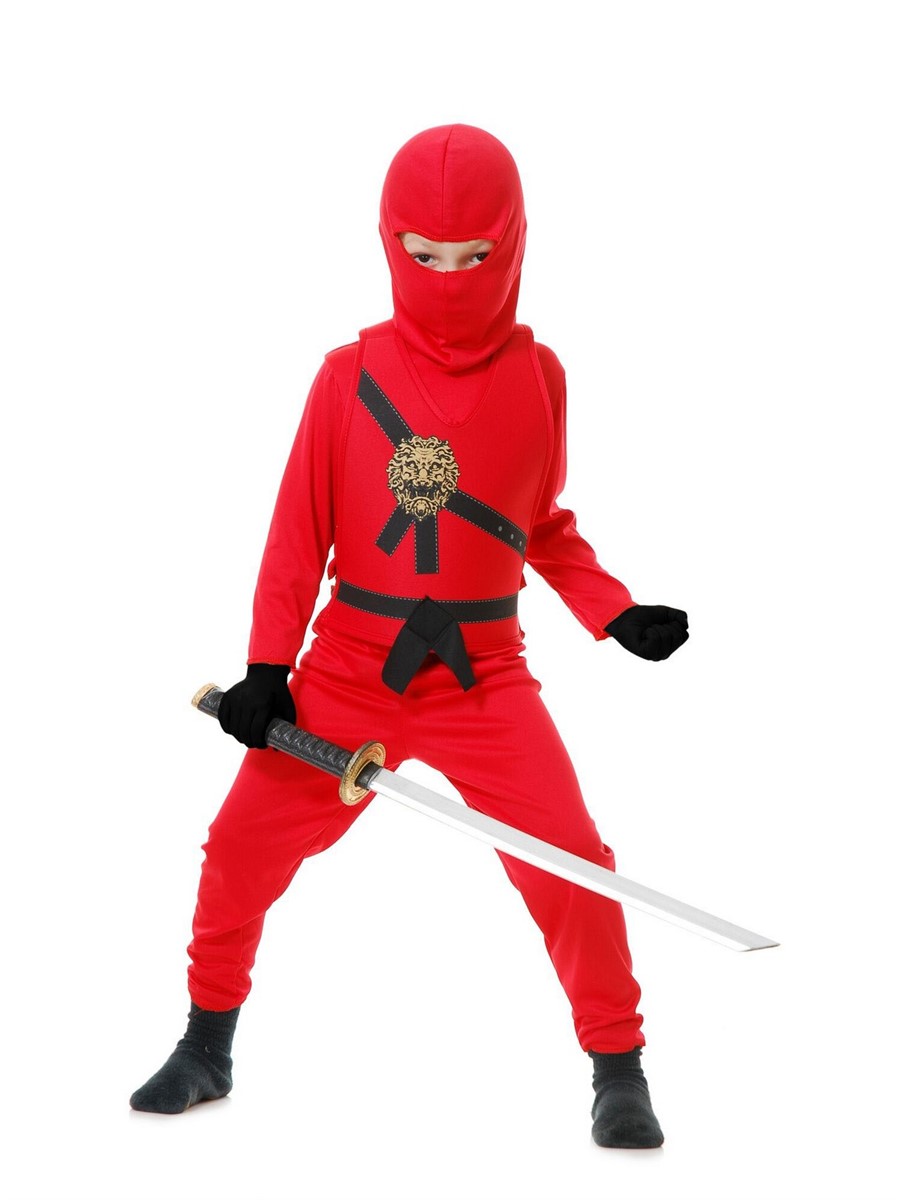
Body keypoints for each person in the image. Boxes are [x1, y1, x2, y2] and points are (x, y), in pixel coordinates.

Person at [130, 124, 689, 1149]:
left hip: (485, 676)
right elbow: (297, 532)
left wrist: (613, 611)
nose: (447, 278)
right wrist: (268, 668)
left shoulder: (540, 375)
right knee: (239, 847)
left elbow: (537, 523)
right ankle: (208, 1044)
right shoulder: (348, 376)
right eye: (423, 256)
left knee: (572, 861)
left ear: (512, 245)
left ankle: (619, 1068)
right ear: (389, 243)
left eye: (473, 257)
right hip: (348, 669)